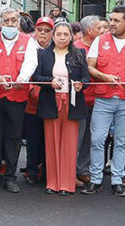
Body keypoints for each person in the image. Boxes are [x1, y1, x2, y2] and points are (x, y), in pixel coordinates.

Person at [83, 6, 125, 197]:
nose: (111, 24)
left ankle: (117, 180)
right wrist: (104, 76)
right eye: (110, 19)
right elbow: (90, 67)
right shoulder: (100, 41)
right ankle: (96, 179)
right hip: (103, 98)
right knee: (97, 140)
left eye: (116, 20)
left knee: (122, 141)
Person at [0, 7, 38, 193]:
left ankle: (10, 176)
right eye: (6, 20)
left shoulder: (27, 41)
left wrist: (21, 78)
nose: (9, 24)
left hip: (17, 96)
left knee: (13, 138)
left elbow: (31, 62)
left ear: (18, 22)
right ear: (0, 22)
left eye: (13, 20)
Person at [35, 22, 89, 195]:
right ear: (53, 36)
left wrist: (81, 85)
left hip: (72, 103)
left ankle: (66, 183)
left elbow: (86, 78)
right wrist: (49, 82)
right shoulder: (44, 54)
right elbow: (36, 77)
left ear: (71, 36)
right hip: (51, 102)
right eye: (59, 34)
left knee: (70, 144)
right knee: (52, 143)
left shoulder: (79, 53)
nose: (62, 38)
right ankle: (52, 182)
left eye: (66, 34)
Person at [73, 15, 106, 186]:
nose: (103, 31)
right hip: (80, 99)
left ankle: (83, 170)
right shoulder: (77, 48)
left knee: (90, 138)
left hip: (98, 98)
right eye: (99, 28)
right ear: (88, 30)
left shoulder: (102, 46)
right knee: (76, 138)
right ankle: (70, 171)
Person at [24, 17, 54, 185]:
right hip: (31, 100)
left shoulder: (56, 48)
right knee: (33, 138)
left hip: (50, 99)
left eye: (47, 30)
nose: (43, 33)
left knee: (47, 138)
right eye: (40, 29)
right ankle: (32, 170)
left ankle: (46, 169)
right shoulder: (28, 46)